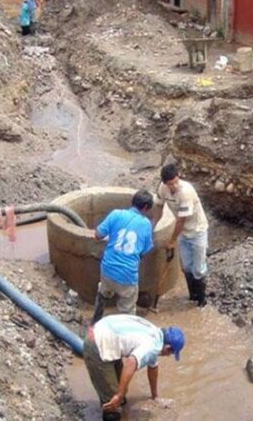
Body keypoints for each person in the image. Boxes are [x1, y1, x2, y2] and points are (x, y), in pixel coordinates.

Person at [84, 314, 185, 421]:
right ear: (168, 348)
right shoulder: (152, 347)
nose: (168, 356)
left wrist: (155, 397)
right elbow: (131, 363)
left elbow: (153, 368)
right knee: (113, 406)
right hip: (96, 343)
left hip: (106, 335)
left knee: (122, 399)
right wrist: (118, 395)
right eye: (170, 353)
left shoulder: (157, 334)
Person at [92, 190, 156, 323]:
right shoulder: (146, 224)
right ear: (145, 207)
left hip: (107, 268)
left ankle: (95, 321)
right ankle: (124, 333)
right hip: (127, 275)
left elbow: (98, 235)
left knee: (103, 291)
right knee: (127, 309)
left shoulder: (116, 214)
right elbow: (145, 250)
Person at [155, 164, 209, 307]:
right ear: (164, 183)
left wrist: (172, 240)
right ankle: (192, 296)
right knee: (186, 267)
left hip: (197, 231)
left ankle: (201, 301)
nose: (174, 185)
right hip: (183, 234)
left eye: (176, 181)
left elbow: (181, 220)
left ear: (178, 177)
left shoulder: (186, 192)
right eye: (170, 184)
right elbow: (159, 207)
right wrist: (153, 227)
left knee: (198, 268)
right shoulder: (162, 189)